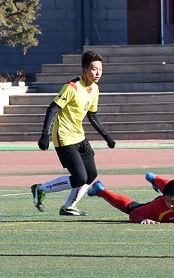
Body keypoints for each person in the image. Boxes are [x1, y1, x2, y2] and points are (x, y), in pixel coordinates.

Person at [31, 50, 115, 216]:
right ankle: (40, 189)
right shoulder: (72, 87)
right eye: (93, 69)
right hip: (64, 137)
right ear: (84, 70)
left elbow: (92, 115)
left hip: (79, 136)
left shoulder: (95, 89)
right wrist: (44, 135)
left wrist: (106, 136)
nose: (98, 73)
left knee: (91, 175)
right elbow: (52, 109)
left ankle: (68, 206)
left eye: (100, 69)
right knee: (79, 178)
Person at [87, 173, 174, 224]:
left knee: (171, 188)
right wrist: (143, 219)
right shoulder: (159, 205)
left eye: (173, 202)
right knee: (132, 207)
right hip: (155, 204)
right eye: (168, 201)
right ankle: (101, 190)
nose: (170, 205)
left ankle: (155, 178)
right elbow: (134, 214)